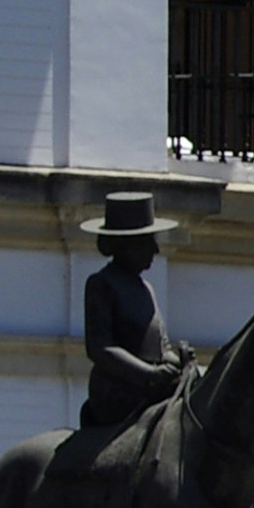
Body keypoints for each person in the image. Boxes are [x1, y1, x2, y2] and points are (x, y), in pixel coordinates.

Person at [72, 190, 185, 452]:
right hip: (118, 392)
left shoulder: (146, 288)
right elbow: (100, 347)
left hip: (153, 388)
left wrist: (177, 361)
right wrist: (148, 374)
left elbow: (161, 345)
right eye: (148, 241)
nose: (156, 250)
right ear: (126, 244)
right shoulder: (101, 284)